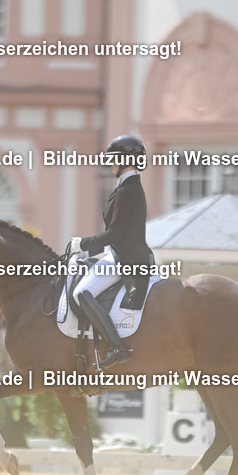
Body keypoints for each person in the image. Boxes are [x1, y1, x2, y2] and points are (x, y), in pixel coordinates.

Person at [68, 134, 153, 370]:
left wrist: (82, 243)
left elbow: (115, 233)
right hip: (118, 254)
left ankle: (117, 347)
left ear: (126, 160)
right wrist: (89, 252)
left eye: (114, 158)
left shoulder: (128, 190)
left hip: (126, 259)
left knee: (81, 292)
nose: (111, 163)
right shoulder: (126, 187)